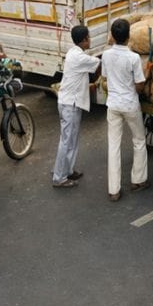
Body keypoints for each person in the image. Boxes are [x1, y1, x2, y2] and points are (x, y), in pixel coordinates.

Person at [102, 18, 148, 202]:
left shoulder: (105, 55)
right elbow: (139, 86)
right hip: (130, 104)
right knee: (138, 140)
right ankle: (139, 180)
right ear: (129, 36)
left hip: (113, 105)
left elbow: (105, 77)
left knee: (113, 145)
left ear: (112, 36)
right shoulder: (133, 58)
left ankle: (114, 190)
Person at [52, 25, 101, 189]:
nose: (90, 40)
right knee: (66, 140)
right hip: (69, 104)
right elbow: (99, 63)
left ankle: (68, 170)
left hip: (69, 101)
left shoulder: (73, 52)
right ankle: (59, 177)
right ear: (84, 40)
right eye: (89, 37)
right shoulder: (80, 58)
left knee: (71, 139)